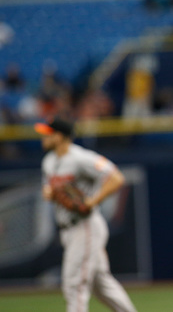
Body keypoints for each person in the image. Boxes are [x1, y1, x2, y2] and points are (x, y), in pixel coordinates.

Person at [36, 117, 137, 312]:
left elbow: (116, 178)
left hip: (85, 227)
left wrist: (93, 200)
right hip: (67, 229)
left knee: (74, 285)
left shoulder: (81, 158)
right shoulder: (48, 161)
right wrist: (49, 192)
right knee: (102, 285)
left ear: (60, 136)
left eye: (47, 134)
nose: (43, 138)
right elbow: (48, 190)